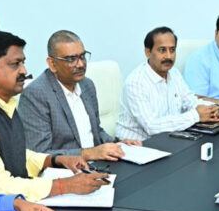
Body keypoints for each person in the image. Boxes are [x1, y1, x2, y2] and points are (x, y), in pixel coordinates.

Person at [0, 30, 109, 199]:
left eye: (23, 63)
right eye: (16, 64)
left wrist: (55, 160)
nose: (24, 70)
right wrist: (64, 185)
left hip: (11, 208)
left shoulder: (3, 103)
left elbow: (16, 155)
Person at [18, 30, 141, 161]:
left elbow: (96, 131)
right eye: (71, 59)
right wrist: (89, 153)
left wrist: (118, 144)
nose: (81, 64)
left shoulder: (87, 85)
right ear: (52, 64)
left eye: (82, 56)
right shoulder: (35, 94)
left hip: (98, 164)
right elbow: (40, 154)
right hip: (64, 172)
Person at [115, 26, 219, 141]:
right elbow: (151, 127)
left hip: (170, 139)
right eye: (162, 50)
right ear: (148, 52)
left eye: (172, 50)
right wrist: (196, 115)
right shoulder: (135, 83)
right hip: (137, 145)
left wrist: (210, 109)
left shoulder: (174, 73)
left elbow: (190, 101)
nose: (169, 56)